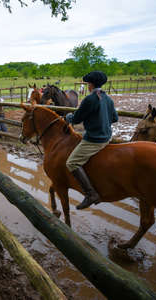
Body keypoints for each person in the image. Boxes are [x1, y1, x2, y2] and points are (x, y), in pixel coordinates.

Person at [64, 71, 118, 209]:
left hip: (94, 140)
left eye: (87, 83)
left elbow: (76, 119)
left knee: (72, 163)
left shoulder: (90, 99)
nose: (87, 86)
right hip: (107, 137)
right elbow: (115, 119)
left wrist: (68, 116)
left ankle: (91, 194)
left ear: (91, 84)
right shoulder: (108, 98)